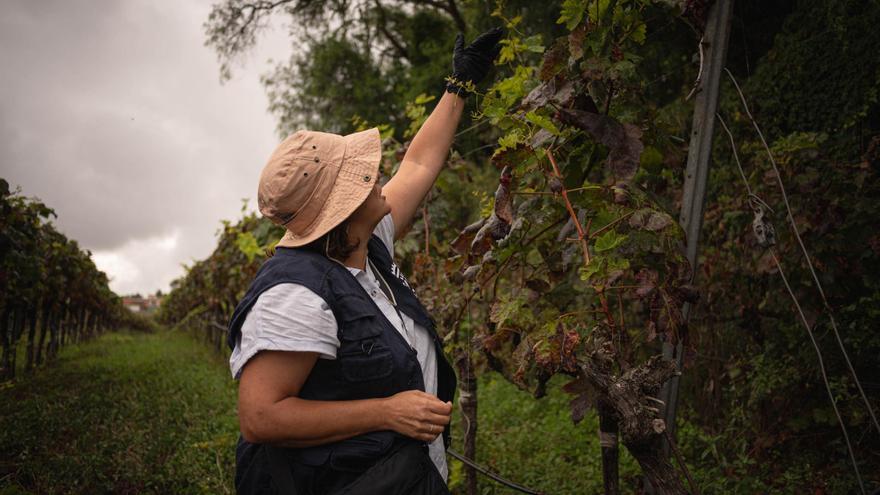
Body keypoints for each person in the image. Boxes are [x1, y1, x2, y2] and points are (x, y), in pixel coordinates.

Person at [225, 27, 504, 494]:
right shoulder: (294, 295)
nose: (377, 177)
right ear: (343, 208)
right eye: (362, 178)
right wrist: (386, 411)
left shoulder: (363, 243)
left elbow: (418, 165)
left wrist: (460, 87)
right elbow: (260, 416)